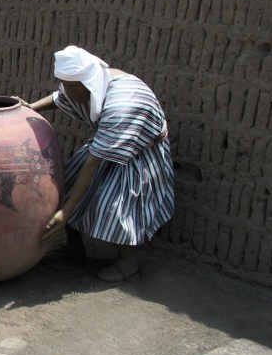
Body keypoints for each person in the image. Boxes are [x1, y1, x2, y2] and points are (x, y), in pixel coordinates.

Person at [23, 45, 174, 282]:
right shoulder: (88, 83)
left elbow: (94, 161)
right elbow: (60, 97)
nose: (67, 91)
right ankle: (74, 251)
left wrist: (66, 212)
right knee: (65, 185)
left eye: (72, 86)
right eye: (64, 83)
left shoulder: (121, 105)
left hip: (138, 155)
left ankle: (128, 259)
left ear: (88, 81)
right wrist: (31, 107)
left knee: (112, 205)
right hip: (107, 145)